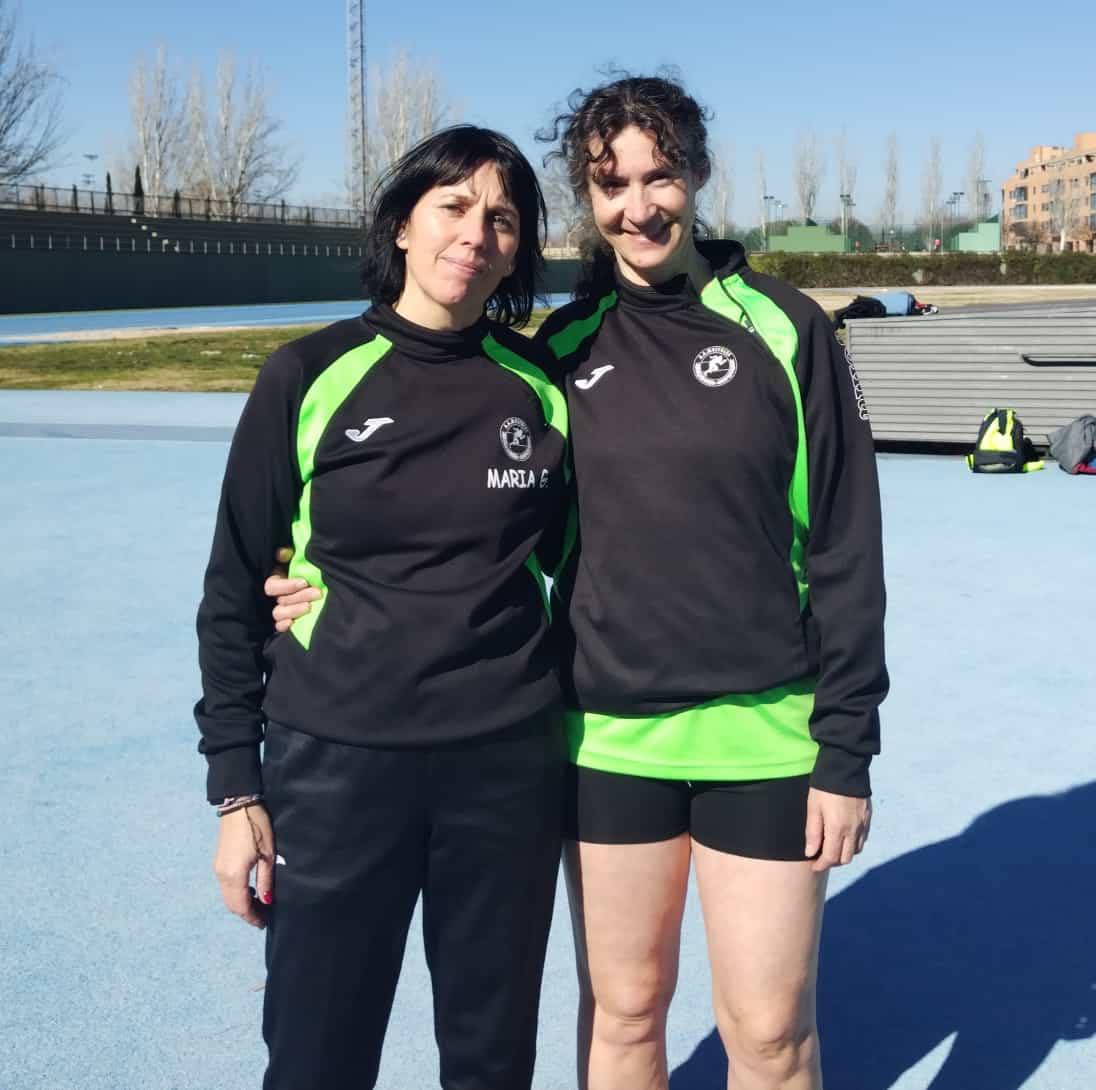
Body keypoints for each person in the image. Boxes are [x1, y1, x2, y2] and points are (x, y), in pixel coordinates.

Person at [271, 76, 888, 1090]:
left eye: (660, 177)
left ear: (698, 175)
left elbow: (846, 547)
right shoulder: (557, 354)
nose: (638, 206)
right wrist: (307, 570)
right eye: (611, 184)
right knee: (624, 1015)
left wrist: (846, 747)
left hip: (767, 733)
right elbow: (482, 518)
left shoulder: (785, 331)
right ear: (587, 197)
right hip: (605, 737)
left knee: (772, 1033)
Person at [194, 125, 570, 1090]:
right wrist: (237, 788)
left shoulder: (540, 388)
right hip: (338, 763)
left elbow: (587, 566)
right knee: (317, 1056)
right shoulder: (308, 374)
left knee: (491, 1060)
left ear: (517, 252)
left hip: (506, 767)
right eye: (454, 206)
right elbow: (234, 588)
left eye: (502, 220)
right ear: (403, 224)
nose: (475, 234)